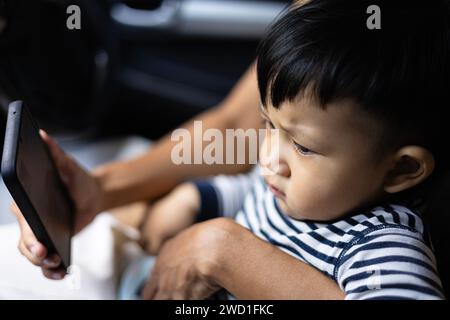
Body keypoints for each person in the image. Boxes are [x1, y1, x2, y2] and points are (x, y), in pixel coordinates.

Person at [134, 0, 449, 300]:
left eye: (303, 147)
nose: (269, 158)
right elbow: (251, 192)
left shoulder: (379, 244)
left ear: (400, 169)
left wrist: (226, 250)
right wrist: (192, 199)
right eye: (268, 125)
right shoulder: (289, 187)